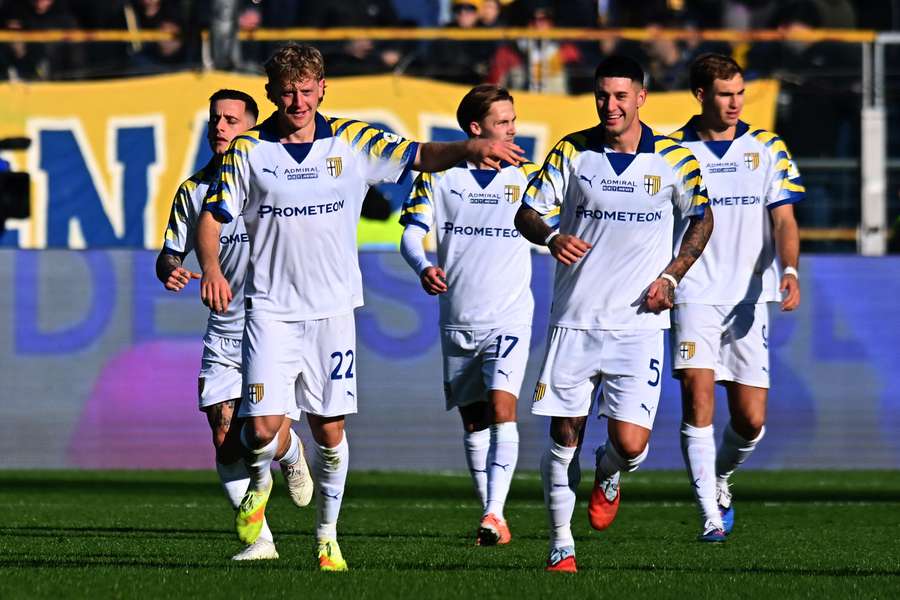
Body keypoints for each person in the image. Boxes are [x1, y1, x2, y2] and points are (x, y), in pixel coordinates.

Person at [197, 43, 524, 571]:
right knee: (259, 429)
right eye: (287, 92)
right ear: (271, 94)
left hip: (332, 311)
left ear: (322, 88)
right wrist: (211, 268)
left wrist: (467, 149)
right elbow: (212, 219)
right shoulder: (248, 151)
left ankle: (327, 537)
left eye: (306, 90)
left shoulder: (354, 139)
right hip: (270, 311)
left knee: (329, 430)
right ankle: (259, 486)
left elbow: (419, 154)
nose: (298, 101)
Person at [514, 55, 713, 573]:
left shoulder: (673, 158)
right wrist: (553, 236)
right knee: (563, 436)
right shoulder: (573, 151)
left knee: (629, 444)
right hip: (575, 319)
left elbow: (702, 218)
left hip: (639, 325)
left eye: (621, 95)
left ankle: (610, 468)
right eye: (603, 95)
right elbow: (528, 212)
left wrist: (672, 276)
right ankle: (561, 543)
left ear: (641, 98)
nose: (611, 105)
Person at [155, 88, 313, 562]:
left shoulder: (278, 177)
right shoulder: (194, 190)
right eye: (214, 120)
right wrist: (171, 270)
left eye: (231, 119)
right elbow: (168, 253)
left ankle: (289, 453)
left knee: (262, 430)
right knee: (224, 437)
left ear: (251, 126)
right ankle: (261, 542)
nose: (220, 127)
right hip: (224, 328)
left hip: (276, 323)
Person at [668, 53, 803, 542]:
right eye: (725, 94)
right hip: (693, 293)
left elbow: (784, 218)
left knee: (750, 420)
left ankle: (721, 477)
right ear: (700, 95)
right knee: (696, 400)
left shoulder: (766, 147)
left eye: (740, 93)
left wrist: (789, 269)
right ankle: (708, 515)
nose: (734, 103)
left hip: (749, 297)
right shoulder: (670, 151)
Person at [399, 84, 539, 546]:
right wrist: (424, 267)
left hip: (510, 315)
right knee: (474, 421)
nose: (512, 129)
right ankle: (490, 516)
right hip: (458, 318)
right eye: (503, 122)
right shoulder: (439, 177)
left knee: (503, 407)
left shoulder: (527, 178)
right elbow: (411, 236)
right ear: (476, 130)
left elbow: (551, 227)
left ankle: (495, 513)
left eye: (513, 120)